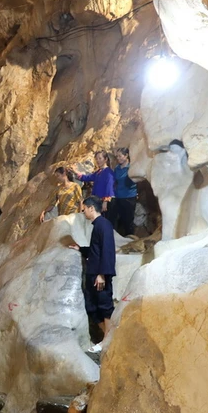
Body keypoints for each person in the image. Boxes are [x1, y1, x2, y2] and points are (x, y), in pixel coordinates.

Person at [70, 195, 117, 352]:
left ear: (91, 208)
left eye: (84, 210)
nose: (83, 213)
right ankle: (108, 337)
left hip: (99, 275)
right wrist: (81, 249)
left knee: (104, 306)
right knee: (92, 306)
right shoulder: (97, 226)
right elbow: (96, 250)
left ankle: (107, 341)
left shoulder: (104, 225)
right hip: (93, 272)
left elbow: (107, 251)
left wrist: (102, 274)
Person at [109, 147, 138, 236]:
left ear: (126, 156)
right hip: (118, 197)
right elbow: (114, 182)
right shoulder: (117, 168)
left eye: (120, 156)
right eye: (117, 157)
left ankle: (130, 239)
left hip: (129, 198)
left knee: (128, 221)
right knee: (117, 220)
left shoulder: (132, 168)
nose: (118, 158)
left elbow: (136, 180)